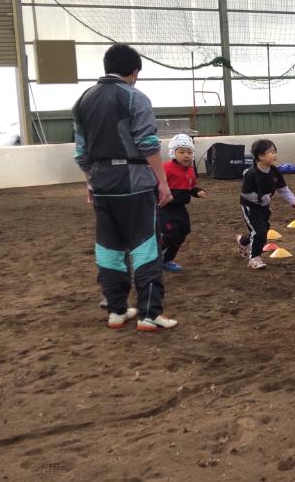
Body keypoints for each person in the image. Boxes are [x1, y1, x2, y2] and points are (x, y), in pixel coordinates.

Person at [73, 44, 178, 331]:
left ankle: (117, 311)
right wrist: (162, 181)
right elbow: (147, 143)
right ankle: (149, 313)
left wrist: (91, 180)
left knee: (109, 248)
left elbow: (80, 152)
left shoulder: (83, 100)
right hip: (134, 183)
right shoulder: (135, 97)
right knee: (145, 247)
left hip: (101, 183)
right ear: (135, 71)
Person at [237, 139, 295, 269]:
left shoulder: (275, 171)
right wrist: (262, 199)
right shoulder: (252, 174)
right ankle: (254, 258)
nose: (275, 155)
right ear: (261, 156)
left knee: (262, 230)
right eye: (271, 152)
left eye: (275, 151)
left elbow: (283, 189)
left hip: (264, 206)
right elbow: (246, 193)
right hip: (250, 206)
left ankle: (242, 241)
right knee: (259, 231)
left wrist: (293, 200)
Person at [160, 133, 206, 273]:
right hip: (165, 208)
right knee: (171, 234)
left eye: (189, 152)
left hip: (180, 208)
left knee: (183, 232)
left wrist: (197, 192)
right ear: (173, 153)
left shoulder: (191, 170)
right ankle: (152, 257)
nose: (186, 155)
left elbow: (190, 187)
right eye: (181, 152)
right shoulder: (166, 168)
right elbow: (155, 185)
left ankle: (166, 260)